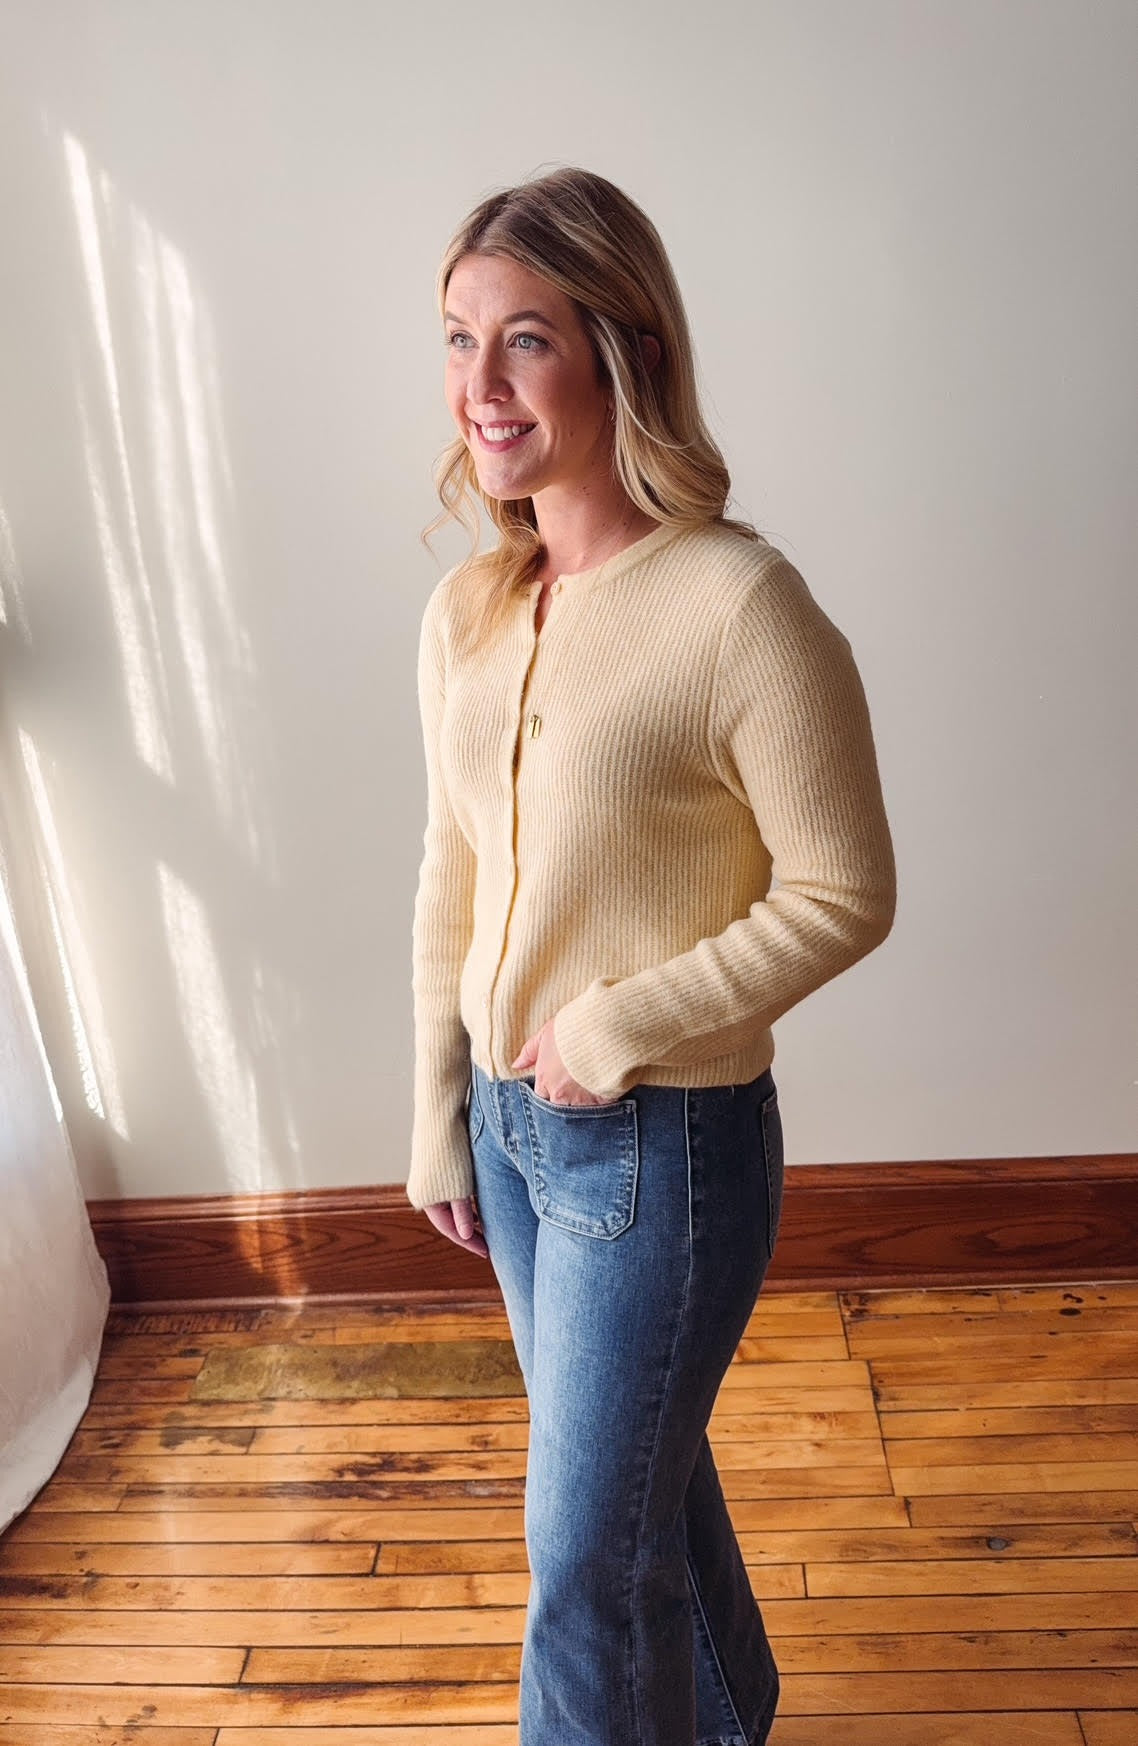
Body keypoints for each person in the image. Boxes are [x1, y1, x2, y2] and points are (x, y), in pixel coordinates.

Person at [407, 165, 896, 1746]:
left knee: (582, 1563)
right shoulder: (472, 610)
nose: (480, 387)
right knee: (636, 1505)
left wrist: (621, 1021)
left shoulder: (740, 604)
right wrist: (438, 1108)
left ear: (621, 352)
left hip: (663, 1148)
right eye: (458, 338)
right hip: (511, 1128)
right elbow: (454, 873)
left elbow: (844, 887)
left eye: (525, 340)